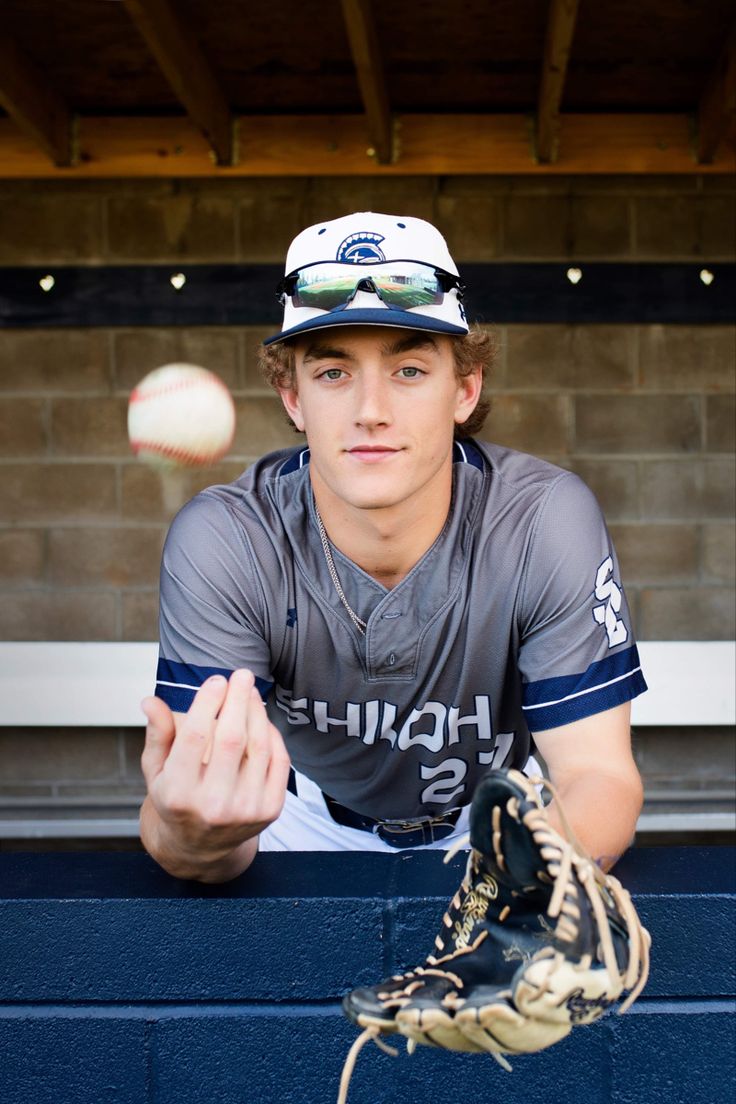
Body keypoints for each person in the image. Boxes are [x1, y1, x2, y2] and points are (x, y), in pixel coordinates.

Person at [139, 211, 647, 883]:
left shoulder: (542, 518)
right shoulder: (230, 537)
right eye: (332, 374)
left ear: (464, 390)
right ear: (291, 396)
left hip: (501, 826)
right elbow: (198, 818)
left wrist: (505, 887)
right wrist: (193, 840)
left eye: (409, 370)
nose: (370, 409)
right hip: (295, 824)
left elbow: (598, 776)